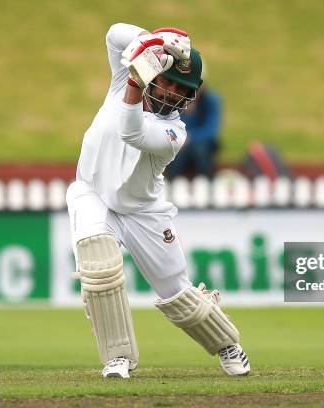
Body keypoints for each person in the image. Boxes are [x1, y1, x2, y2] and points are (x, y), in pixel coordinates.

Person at [65, 23, 250, 379]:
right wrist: (160, 40)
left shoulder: (174, 132)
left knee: (175, 291)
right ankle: (117, 358)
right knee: (98, 265)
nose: (174, 92)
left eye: (183, 89)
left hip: (142, 211)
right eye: (170, 81)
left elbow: (130, 130)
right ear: (156, 72)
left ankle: (227, 342)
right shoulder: (126, 75)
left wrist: (136, 79)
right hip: (91, 192)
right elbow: (114, 33)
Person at [165, 75, 222, 179]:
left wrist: (190, 138)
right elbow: (166, 126)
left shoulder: (211, 100)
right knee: (176, 152)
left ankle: (206, 182)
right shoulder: (173, 99)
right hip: (179, 143)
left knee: (199, 149)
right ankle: (171, 183)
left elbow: (211, 130)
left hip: (201, 144)